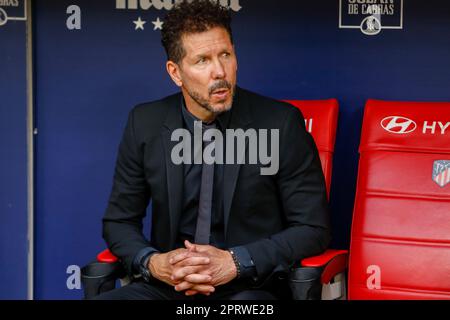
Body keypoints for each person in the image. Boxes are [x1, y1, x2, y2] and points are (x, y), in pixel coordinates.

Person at [95, 0, 330, 300]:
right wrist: (154, 263)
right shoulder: (145, 123)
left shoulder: (281, 123)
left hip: (251, 289)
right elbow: (119, 222)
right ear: (175, 72)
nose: (219, 72)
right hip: (170, 287)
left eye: (225, 55)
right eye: (202, 60)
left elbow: (312, 229)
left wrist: (236, 261)